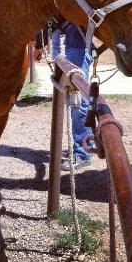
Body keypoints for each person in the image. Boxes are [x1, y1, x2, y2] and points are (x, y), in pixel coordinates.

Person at [52, 22, 94, 170]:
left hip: (76, 46)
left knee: (77, 103)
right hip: (67, 45)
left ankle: (83, 153)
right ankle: (87, 145)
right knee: (75, 101)